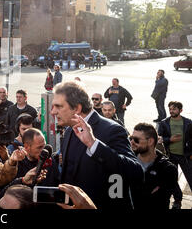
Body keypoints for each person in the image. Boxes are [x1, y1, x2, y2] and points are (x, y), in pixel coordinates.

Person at [50, 81, 143, 209]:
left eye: (58, 106)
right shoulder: (69, 131)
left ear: (77, 108)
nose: (52, 112)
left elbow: (136, 172)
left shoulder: (113, 130)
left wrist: (93, 144)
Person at [130, 123, 178, 210]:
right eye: (131, 138)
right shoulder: (128, 160)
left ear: (150, 141)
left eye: (136, 140)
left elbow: (157, 200)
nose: (131, 142)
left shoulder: (168, 169)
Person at [157, 101, 192, 209]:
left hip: (185, 156)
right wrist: (170, 139)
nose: (171, 111)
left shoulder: (188, 123)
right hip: (170, 156)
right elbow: (159, 139)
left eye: (174, 109)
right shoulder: (164, 123)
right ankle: (177, 200)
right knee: (172, 180)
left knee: (190, 178)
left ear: (180, 110)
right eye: (170, 109)